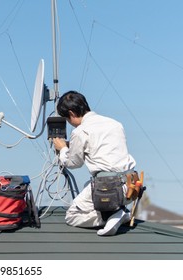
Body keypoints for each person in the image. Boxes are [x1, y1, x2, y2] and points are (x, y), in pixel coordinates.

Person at [52, 90, 137, 236]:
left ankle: (112, 216)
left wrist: (63, 149)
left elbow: (73, 163)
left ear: (71, 113)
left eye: (67, 118)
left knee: (72, 215)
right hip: (131, 186)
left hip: (109, 187)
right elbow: (104, 151)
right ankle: (118, 212)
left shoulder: (80, 131)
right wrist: (71, 145)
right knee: (88, 185)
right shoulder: (115, 123)